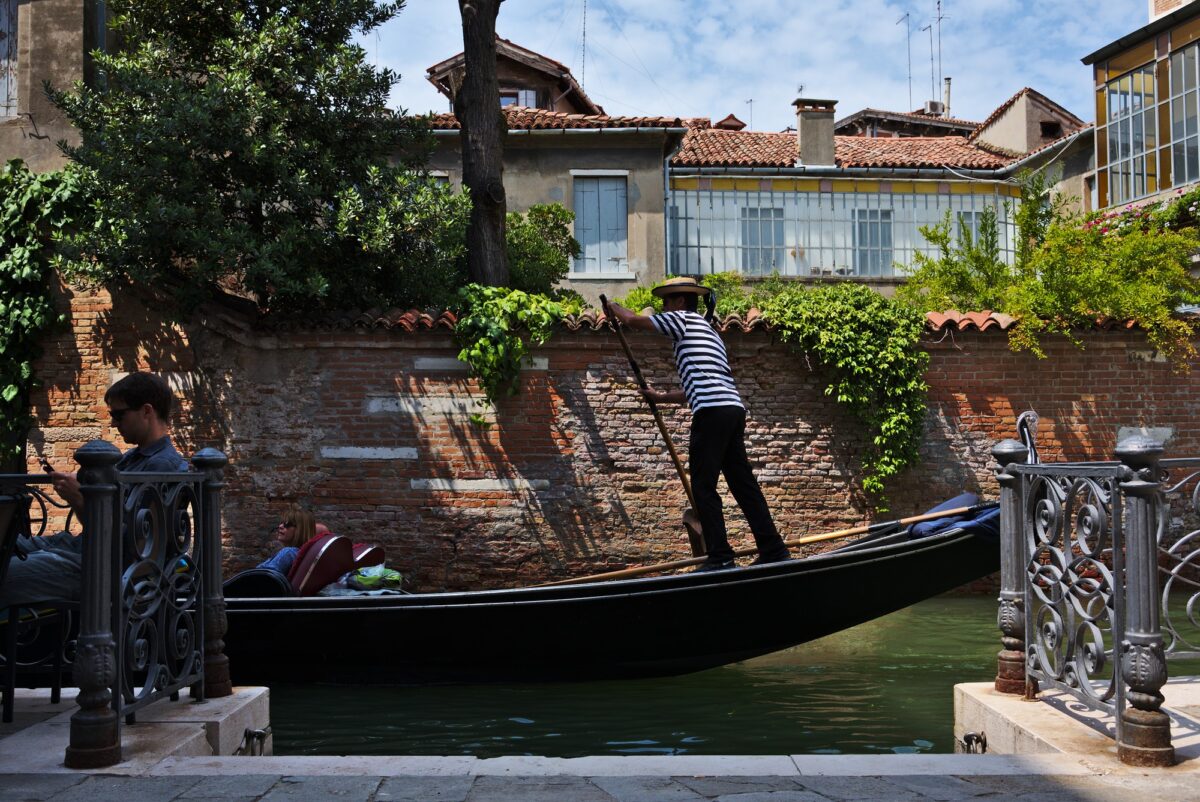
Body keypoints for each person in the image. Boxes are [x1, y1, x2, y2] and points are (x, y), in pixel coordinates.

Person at [604, 277, 790, 571]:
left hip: (713, 412)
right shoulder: (710, 332)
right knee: (743, 485)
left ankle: (720, 557)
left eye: (667, 301)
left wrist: (613, 306)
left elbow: (633, 321)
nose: (664, 307)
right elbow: (700, 384)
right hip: (731, 409)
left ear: (679, 302)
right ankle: (774, 549)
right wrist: (661, 397)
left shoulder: (683, 319)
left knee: (703, 487)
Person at [0, 372, 189, 608]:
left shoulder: (163, 467)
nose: (113, 423)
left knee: (6, 571)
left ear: (147, 411)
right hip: (80, 547)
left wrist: (79, 499)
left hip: (105, 567)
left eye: (119, 415)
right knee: (8, 545)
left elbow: (132, 546)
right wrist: (80, 493)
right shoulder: (132, 458)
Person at [257, 506, 318, 577]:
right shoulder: (300, 553)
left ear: (300, 529)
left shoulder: (288, 553)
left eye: (287, 524)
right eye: (281, 523)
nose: (280, 526)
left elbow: (265, 579)